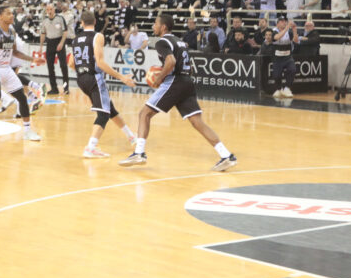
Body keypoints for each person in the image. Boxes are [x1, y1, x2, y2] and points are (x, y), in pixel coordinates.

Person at [119, 14, 235, 171]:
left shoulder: (162, 42)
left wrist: (159, 78)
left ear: (163, 27)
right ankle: (226, 155)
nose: (153, 26)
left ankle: (139, 152)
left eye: (155, 23)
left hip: (175, 81)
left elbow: (171, 62)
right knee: (197, 122)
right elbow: (189, 66)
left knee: (144, 114)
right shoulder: (179, 41)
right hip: (187, 82)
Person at [71, 10, 138, 158]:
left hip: (81, 78)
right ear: (95, 22)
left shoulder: (75, 39)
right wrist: (122, 77)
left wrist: (83, 72)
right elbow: (100, 62)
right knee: (103, 114)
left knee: (110, 109)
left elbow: (71, 63)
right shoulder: (97, 36)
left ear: (81, 23)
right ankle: (90, 147)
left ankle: (132, 137)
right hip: (94, 77)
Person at [0, 6, 40, 145]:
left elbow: (15, 52)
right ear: (0, 17)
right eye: (8, 13)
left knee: (22, 98)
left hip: (5, 68)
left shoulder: (12, 32)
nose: (12, 15)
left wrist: (33, 59)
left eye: (12, 13)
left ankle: (28, 131)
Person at [38, 2, 70, 95]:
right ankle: (54, 88)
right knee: (50, 67)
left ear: (54, 9)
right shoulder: (45, 20)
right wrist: (41, 46)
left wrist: (61, 43)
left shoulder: (60, 18)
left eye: (51, 9)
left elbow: (65, 32)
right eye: (47, 10)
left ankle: (66, 88)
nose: (49, 11)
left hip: (59, 42)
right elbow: (43, 33)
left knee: (63, 66)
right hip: (50, 43)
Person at [266, 16, 298, 97]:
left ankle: (287, 88)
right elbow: (277, 37)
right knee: (277, 75)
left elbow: (296, 41)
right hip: (277, 58)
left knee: (292, 69)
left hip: (287, 56)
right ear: (277, 24)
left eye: (285, 21)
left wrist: (294, 31)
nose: (284, 22)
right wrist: (287, 28)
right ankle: (278, 89)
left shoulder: (289, 32)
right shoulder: (273, 31)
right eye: (281, 21)